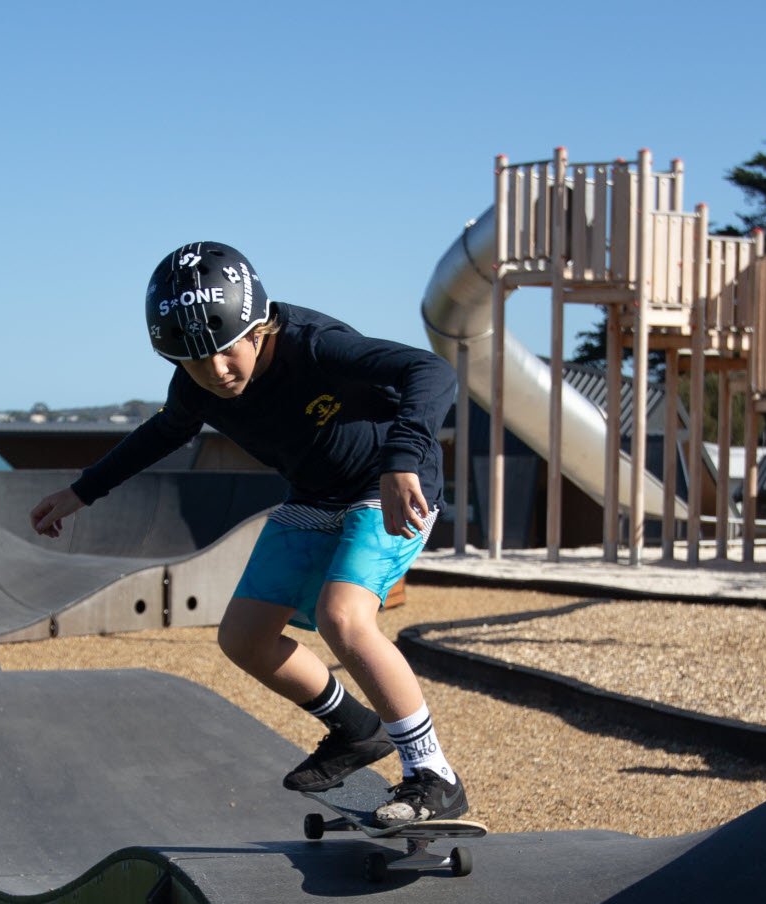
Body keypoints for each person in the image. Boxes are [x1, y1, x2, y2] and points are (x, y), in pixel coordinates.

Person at [30, 242, 469, 830]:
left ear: (259, 328)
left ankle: (433, 776)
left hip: (387, 487)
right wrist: (82, 492)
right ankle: (355, 731)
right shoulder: (196, 385)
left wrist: (402, 459)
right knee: (242, 635)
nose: (215, 373)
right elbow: (160, 434)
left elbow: (432, 370)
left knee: (343, 618)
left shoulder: (313, 344)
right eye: (193, 362)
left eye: (225, 350)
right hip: (315, 496)